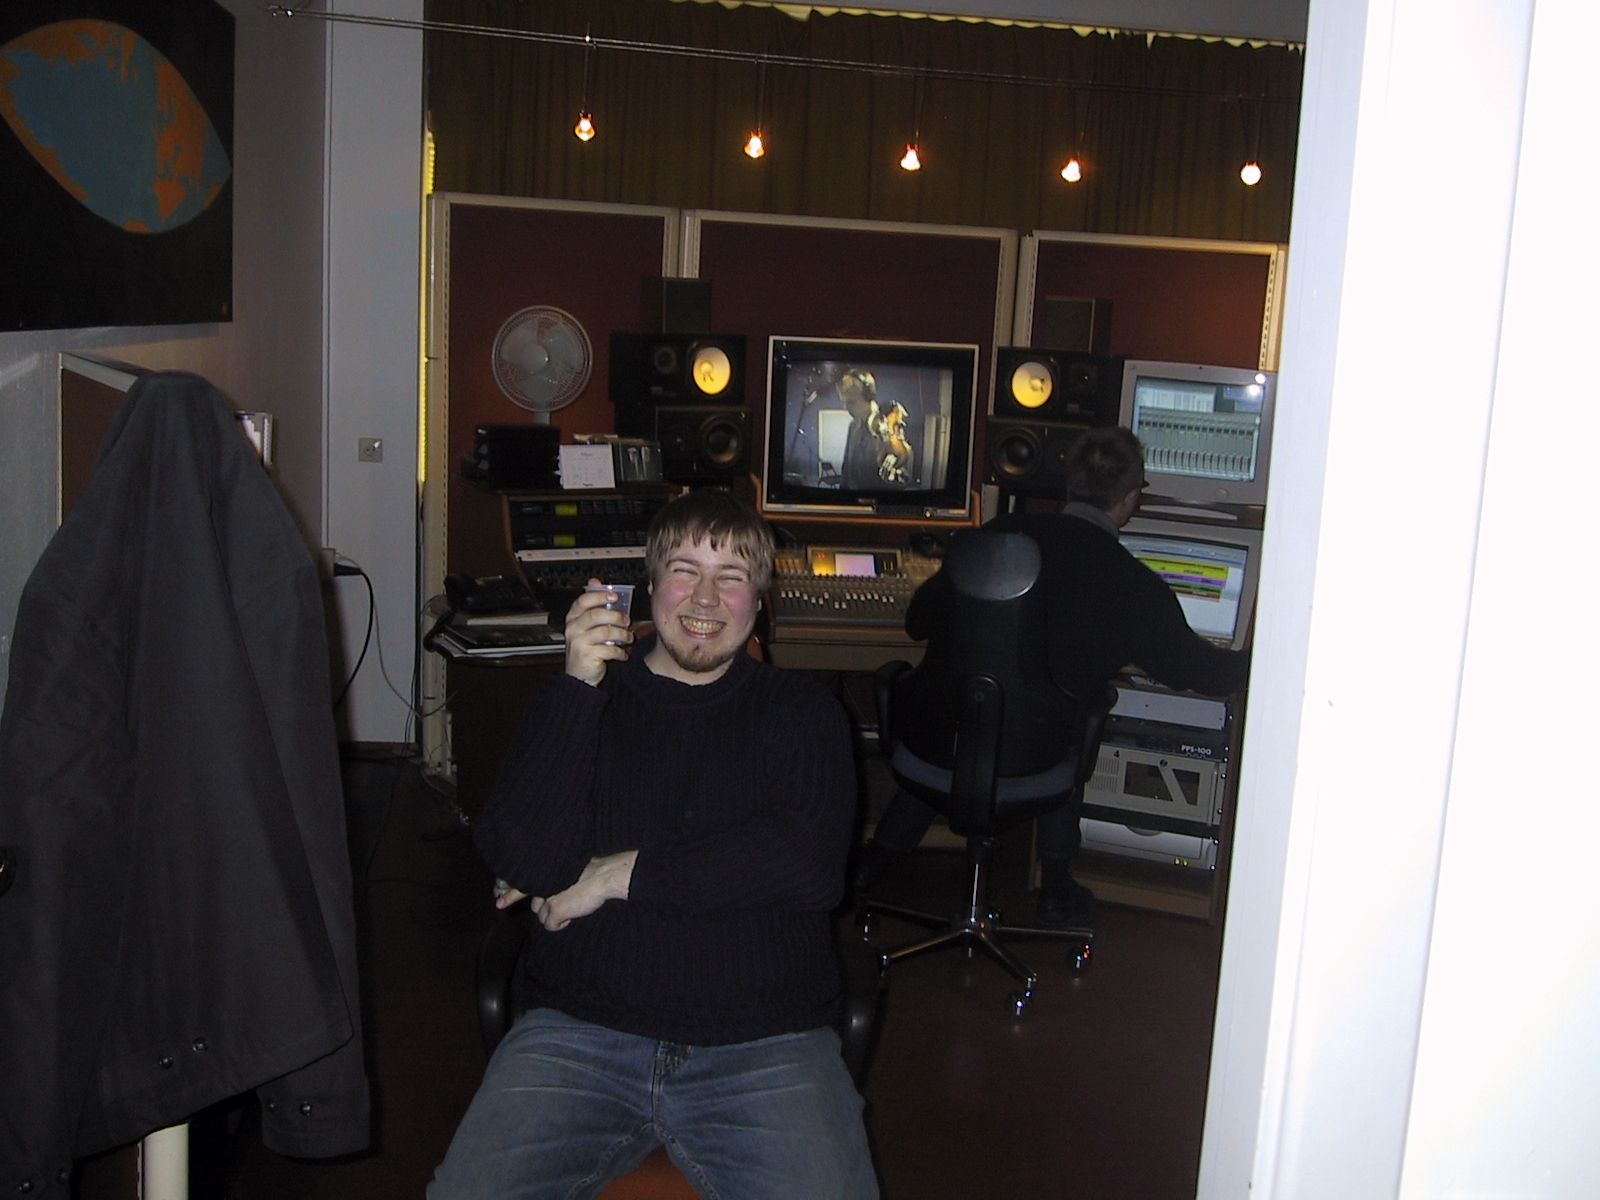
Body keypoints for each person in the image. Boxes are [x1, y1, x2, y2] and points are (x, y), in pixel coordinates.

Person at [429, 490, 878, 1200]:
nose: (706, 598)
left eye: (732, 576)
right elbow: (528, 862)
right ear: (649, 583)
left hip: (765, 1043)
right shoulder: (579, 702)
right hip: (581, 1032)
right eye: (685, 570)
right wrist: (578, 687)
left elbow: (808, 864)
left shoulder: (803, 714)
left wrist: (614, 874)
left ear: (759, 602)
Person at [857, 425, 1249, 926]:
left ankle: (875, 863)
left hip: (938, 745)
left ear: (1069, 484)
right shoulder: (1131, 583)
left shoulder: (991, 538)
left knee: (966, 706)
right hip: (1035, 759)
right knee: (1068, 714)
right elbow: (1201, 672)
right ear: (1131, 498)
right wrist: (1263, 659)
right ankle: (1056, 887)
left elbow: (918, 623)